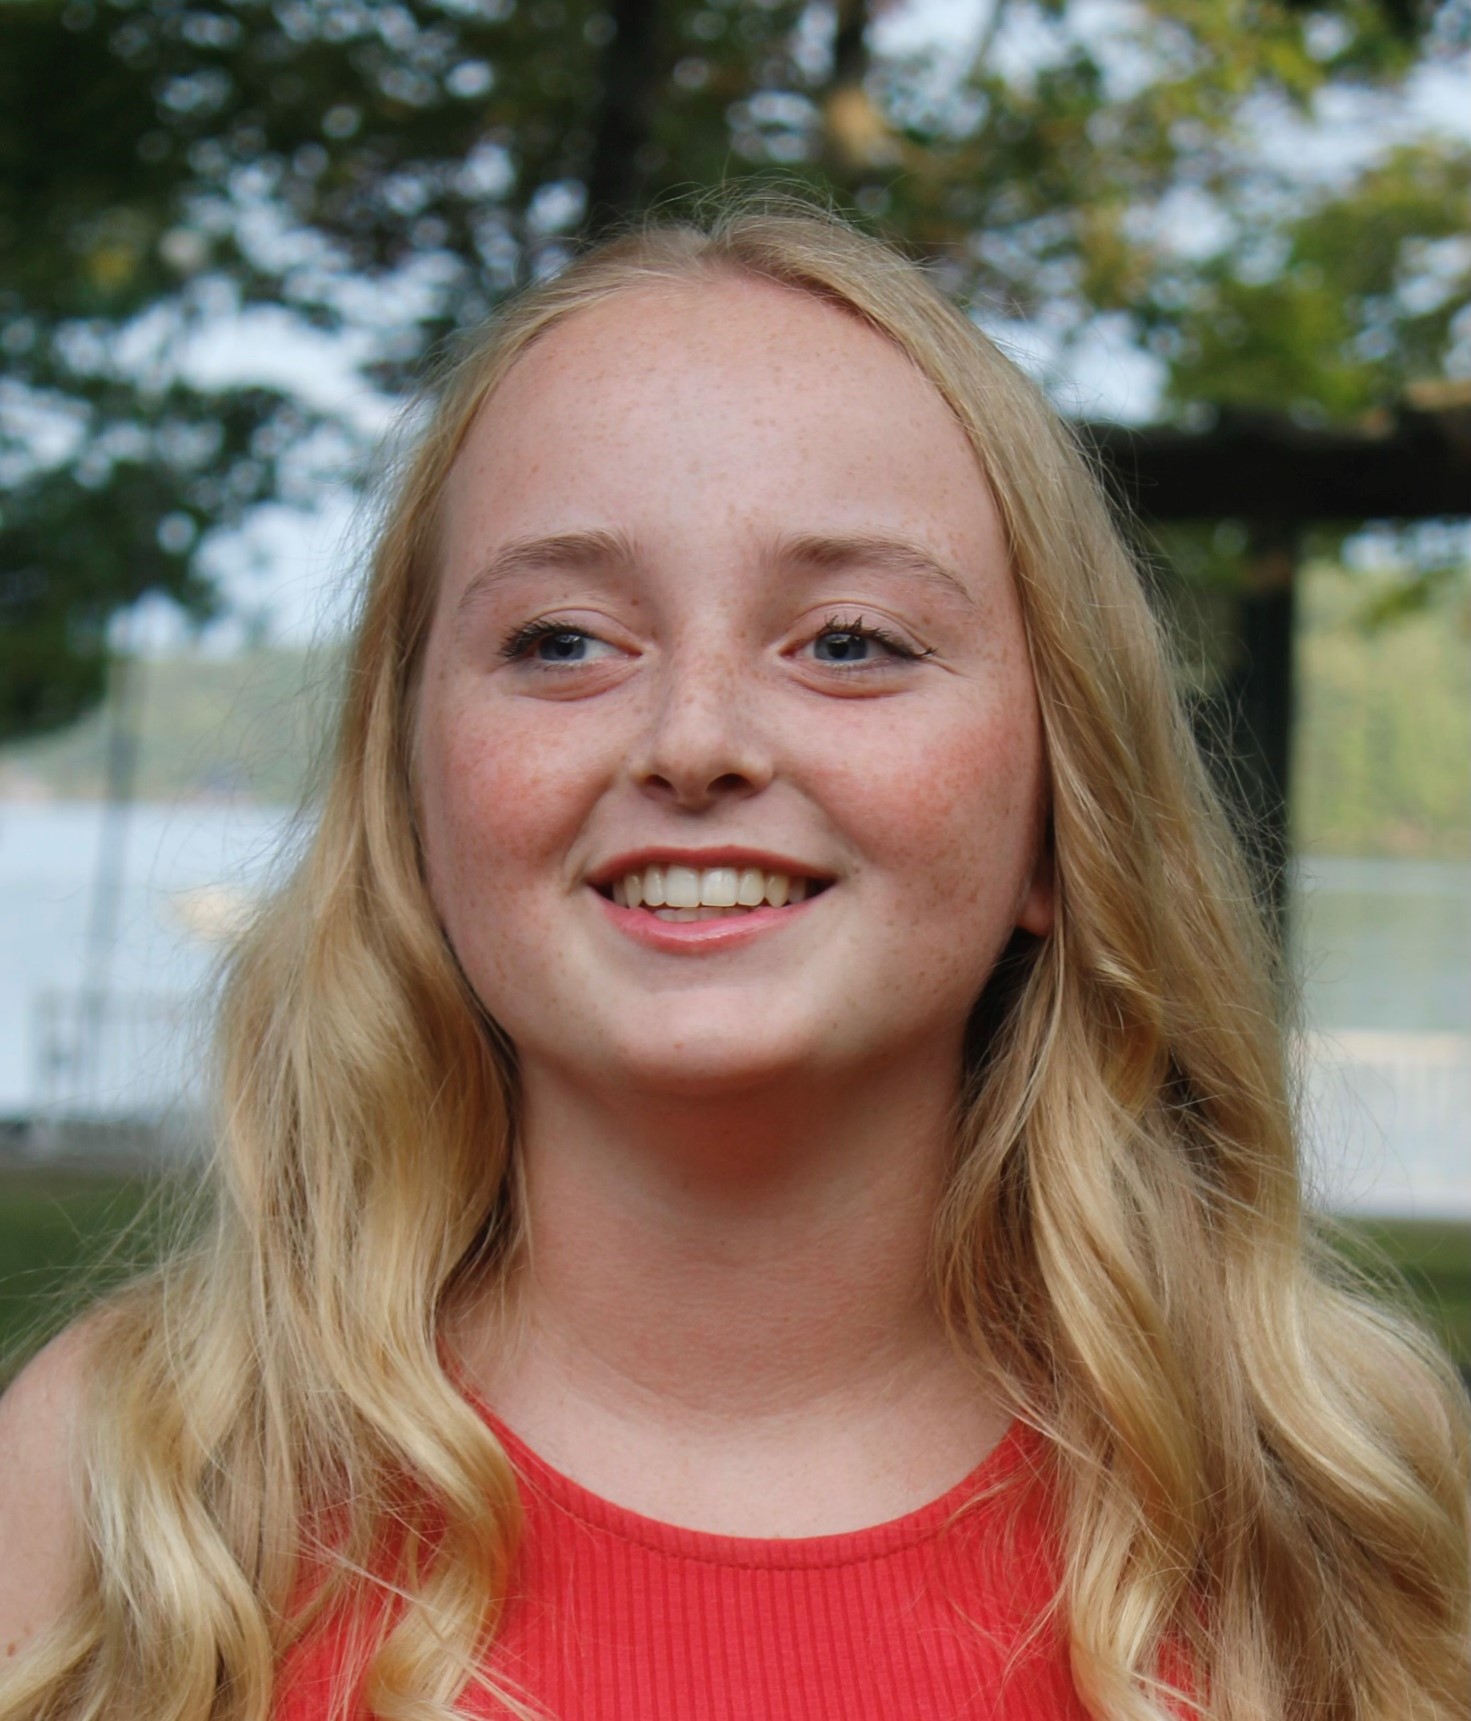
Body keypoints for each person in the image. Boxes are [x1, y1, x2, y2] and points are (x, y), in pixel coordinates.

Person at [0, 198, 1466, 1721]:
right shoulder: (136, 1478)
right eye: (563, 641)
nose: (695, 739)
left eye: (849, 640)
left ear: (1057, 807)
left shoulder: (1325, 1495)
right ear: (412, 792)